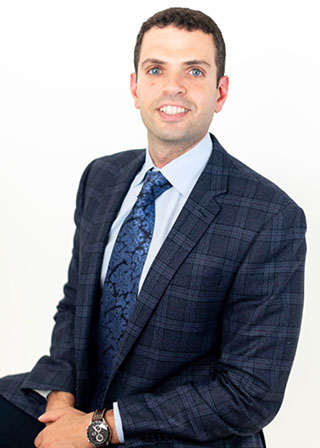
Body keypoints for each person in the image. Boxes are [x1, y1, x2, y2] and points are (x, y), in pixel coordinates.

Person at [0, 7, 306, 448]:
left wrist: (100, 428)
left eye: (194, 71)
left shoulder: (269, 218)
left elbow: (250, 393)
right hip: (82, 402)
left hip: (180, 432)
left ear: (220, 93)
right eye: (156, 69)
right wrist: (61, 399)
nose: (173, 86)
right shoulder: (101, 178)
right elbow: (75, 306)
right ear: (135, 86)